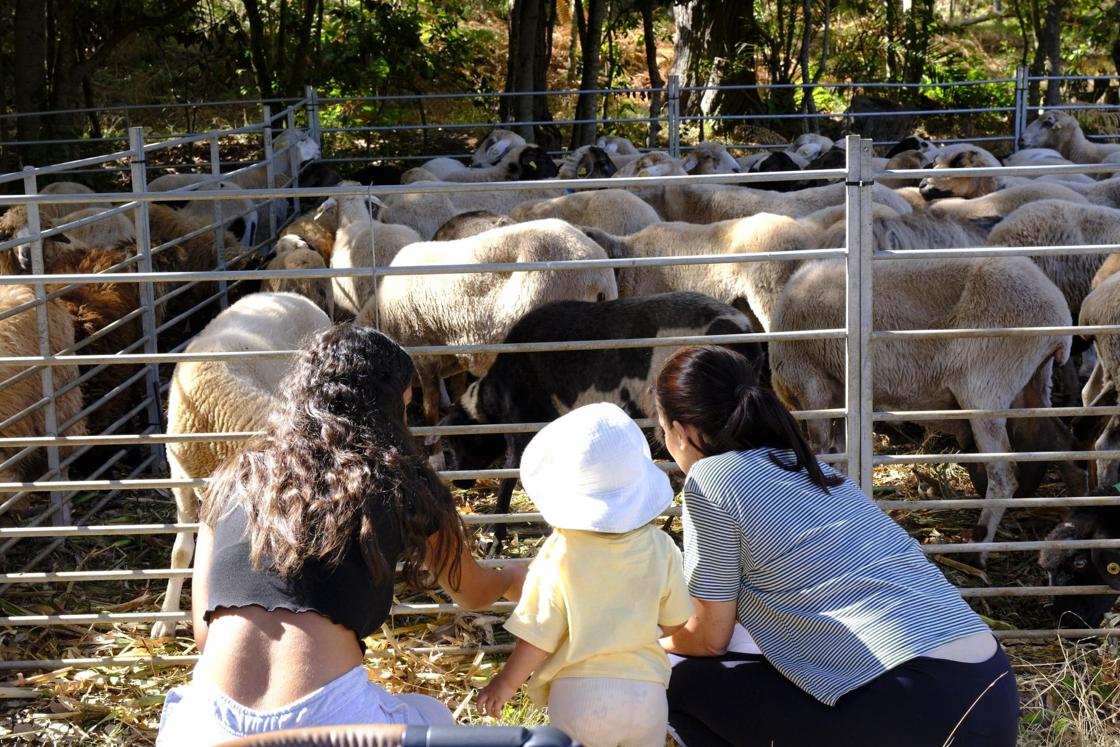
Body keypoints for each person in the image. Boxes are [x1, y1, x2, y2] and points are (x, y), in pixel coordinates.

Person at [156, 325, 526, 746]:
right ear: (388, 410)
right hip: (327, 721)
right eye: (403, 408)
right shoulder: (401, 481)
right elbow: (472, 592)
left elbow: (205, 634)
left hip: (203, 727)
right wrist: (513, 577)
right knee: (433, 715)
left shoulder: (233, 477)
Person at [653, 345, 1020, 747]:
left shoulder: (711, 477)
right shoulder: (812, 468)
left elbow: (708, 638)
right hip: (991, 692)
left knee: (669, 679)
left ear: (681, 432)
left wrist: (651, 645)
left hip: (921, 706)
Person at [476, 402, 694, 747]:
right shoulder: (662, 546)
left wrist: (504, 683)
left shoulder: (560, 551)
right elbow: (675, 622)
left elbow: (539, 631)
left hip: (578, 695)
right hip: (647, 695)